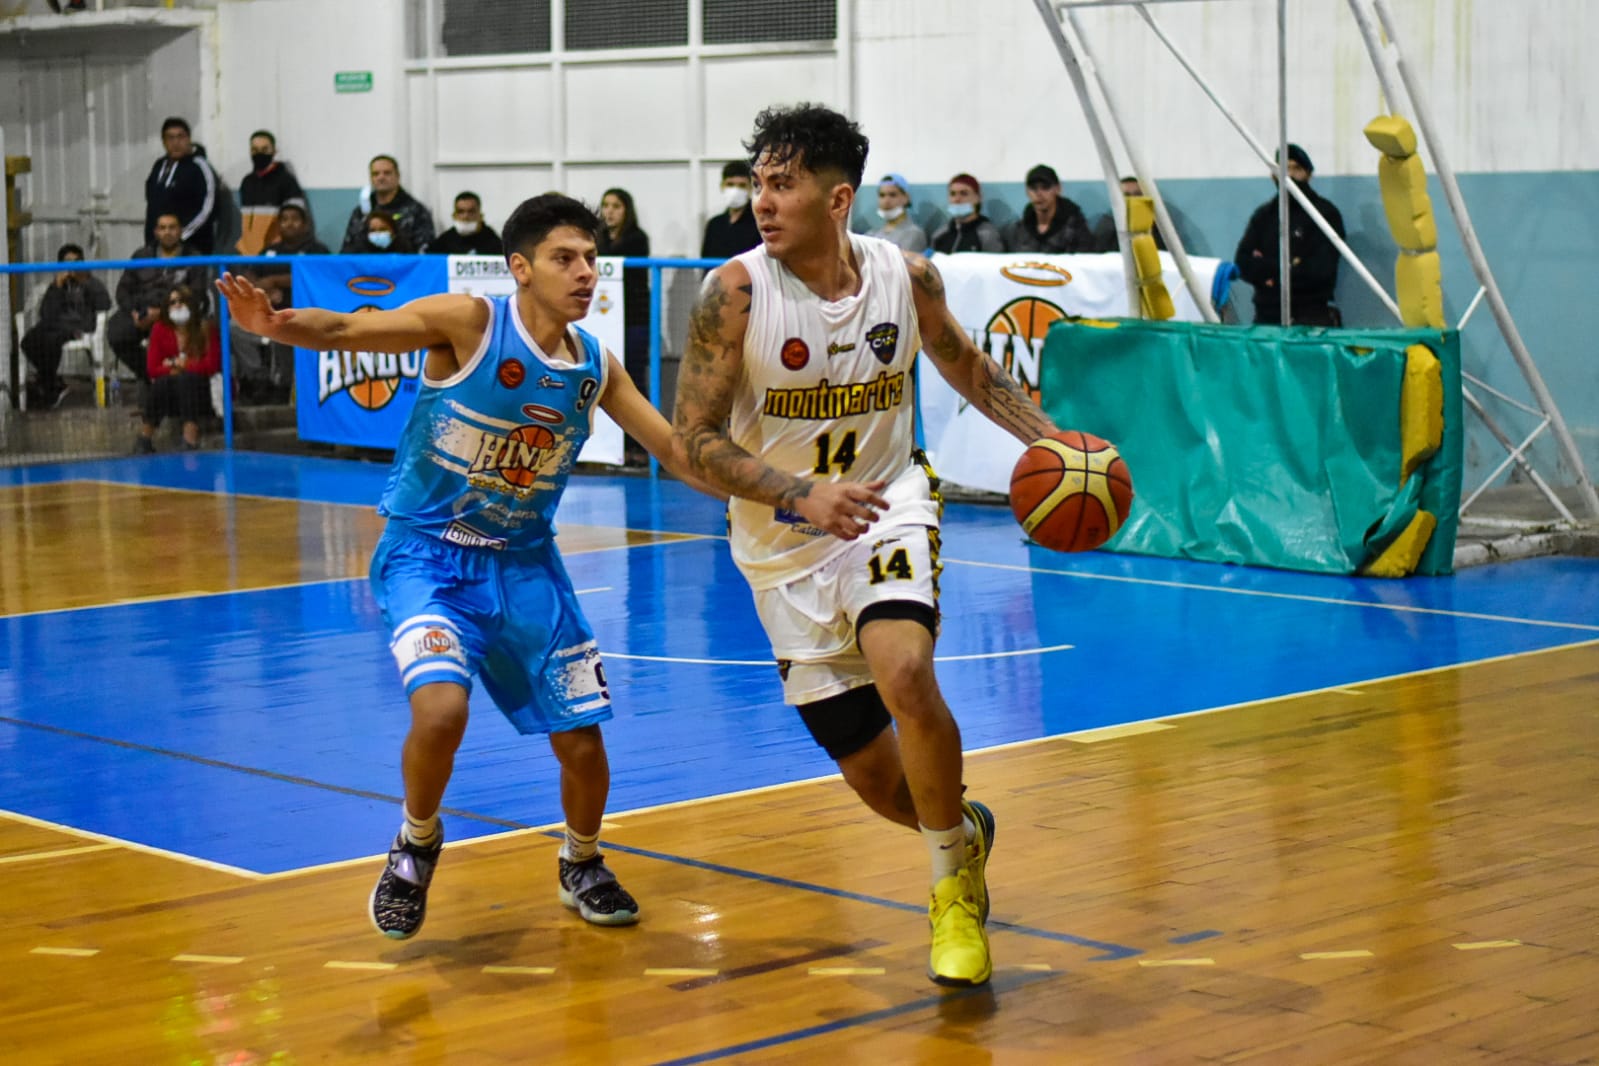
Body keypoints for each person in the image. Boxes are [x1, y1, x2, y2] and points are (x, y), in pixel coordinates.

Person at [216, 193, 719, 940]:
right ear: (519, 268)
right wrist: (277, 325)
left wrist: (779, 493)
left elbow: (677, 451)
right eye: (564, 259)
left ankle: (582, 861)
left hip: (525, 568)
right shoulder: (470, 324)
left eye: (590, 259)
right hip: (427, 556)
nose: (584, 273)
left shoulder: (592, 366)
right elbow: (352, 326)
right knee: (442, 712)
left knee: (582, 742)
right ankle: (417, 843)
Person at [673, 104, 1061, 988]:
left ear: (837, 196)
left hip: (889, 506)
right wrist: (797, 493)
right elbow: (692, 440)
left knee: (906, 672)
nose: (761, 202)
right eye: (756, 184)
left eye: (783, 184)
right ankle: (960, 833)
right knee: (879, 785)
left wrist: (1048, 440)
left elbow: (965, 362)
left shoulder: (905, 276)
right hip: (781, 548)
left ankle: (949, 895)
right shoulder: (732, 293)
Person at [1233, 144, 1346, 326]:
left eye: (1297, 169)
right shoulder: (1264, 215)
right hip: (1267, 318)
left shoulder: (1324, 214)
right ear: (1273, 176)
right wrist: (1291, 265)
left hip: (1310, 317)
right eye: (1284, 170)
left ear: (1309, 174)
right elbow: (1243, 263)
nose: (1290, 176)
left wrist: (1270, 275)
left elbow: (1320, 271)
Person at [235, 202, 329, 401]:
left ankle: (282, 387)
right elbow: (249, 273)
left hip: (300, 315)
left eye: (295, 219)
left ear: (304, 224)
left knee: (284, 332)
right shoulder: (270, 251)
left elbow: (314, 277)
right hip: (267, 312)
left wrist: (275, 280)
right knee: (234, 327)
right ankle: (257, 379)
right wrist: (263, 288)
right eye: (284, 219)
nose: (289, 224)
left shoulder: (317, 250)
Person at [110, 213, 210, 381]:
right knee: (116, 333)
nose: (167, 232)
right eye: (163, 228)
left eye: (172, 227)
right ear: (156, 232)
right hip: (142, 311)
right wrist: (134, 312)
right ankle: (150, 375)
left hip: (176, 313)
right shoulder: (141, 255)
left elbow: (197, 294)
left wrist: (160, 313)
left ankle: (173, 376)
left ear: (180, 231)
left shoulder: (194, 257)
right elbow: (123, 291)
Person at [596, 187, 653, 462]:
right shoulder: (597, 240)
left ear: (626, 210)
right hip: (606, 322)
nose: (609, 211)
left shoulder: (637, 239)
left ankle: (640, 447)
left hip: (634, 321)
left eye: (616, 206)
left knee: (634, 382)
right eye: (605, 205)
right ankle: (610, 449)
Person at [21, 243, 111, 407]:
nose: (71, 267)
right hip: (54, 325)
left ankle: (48, 385)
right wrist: (57, 287)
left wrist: (85, 282)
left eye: (75, 262)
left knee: (51, 340)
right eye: (67, 262)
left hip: (78, 328)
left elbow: (105, 304)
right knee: (28, 341)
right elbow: (46, 313)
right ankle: (52, 382)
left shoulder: (91, 282)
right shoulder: (57, 285)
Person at [135, 285, 218, 453]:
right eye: (172, 302)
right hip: (170, 393)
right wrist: (177, 367)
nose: (177, 305)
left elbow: (212, 365)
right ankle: (145, 439)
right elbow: (152, 369)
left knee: (186, 379)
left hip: (201, 393)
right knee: (164, 382)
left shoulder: (205, 328)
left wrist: (184, 366)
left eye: (182, 301)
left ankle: (190, 438)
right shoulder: (159, 329)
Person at [144, 117, 219, 254]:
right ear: (164, 142)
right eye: (170, 138)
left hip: (192, 247)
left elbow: (207, 208)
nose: (176, 142)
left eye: (180, 137)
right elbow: (151, 202)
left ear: (189, 139)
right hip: (157, 248)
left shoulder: (199, 167)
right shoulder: (159, 166)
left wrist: (180, 235)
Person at [340, 155, 436, 254]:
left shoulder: (416, 211)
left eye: (387, 173)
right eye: (375, 174)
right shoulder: (361, 213)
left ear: (397, 176)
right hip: (365, 268)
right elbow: (347, 251)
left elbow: (425, 252)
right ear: (371, 178)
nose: (381, 177)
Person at [236, 129, 307, 255]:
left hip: (274, 253)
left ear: (274, 151)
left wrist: (278, 246)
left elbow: (296, 219)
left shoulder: (286, 181)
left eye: (264, 150)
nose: (259, 154)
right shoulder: (247, 182)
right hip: (247, 253)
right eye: (255, 150)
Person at [1001, 164, 1093, 254]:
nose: (1039, 193)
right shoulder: (1017, 231)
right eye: (1033, 188)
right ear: (1027, 192)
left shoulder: (1076, 229)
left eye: (1045, 187)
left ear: (1058, 189)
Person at [700, 160, 760, 261]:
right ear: (722, 186)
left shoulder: (759, 224)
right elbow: (705, 264)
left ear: (750, 188)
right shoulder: (714, 225)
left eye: (741, 185)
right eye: (730, 184)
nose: (735, 190)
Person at [929, 173, 1002, 254]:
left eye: (964, 193)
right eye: (952, 194)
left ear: (978, 197)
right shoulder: (939, 234)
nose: (957, 199)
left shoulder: (987, 234)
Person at [1093, 175, 1168, 252]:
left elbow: (1163, 252)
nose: (1133, 199)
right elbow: (1100, 253)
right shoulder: (1108, 222)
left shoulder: (1156, 223)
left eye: (1137, 194)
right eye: (1127, 195)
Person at [866, 173, 928, 253]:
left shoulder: (914, 234)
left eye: (892, 195)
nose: (886, 201)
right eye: (882, 195)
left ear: (906, 198)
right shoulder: (871, 235)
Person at [429, 191, 504, 256]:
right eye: (460, 211)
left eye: (471, 211)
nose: (466, 216)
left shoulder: (492, 240)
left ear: (480, 216)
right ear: (454, 215)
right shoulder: (445, 240)